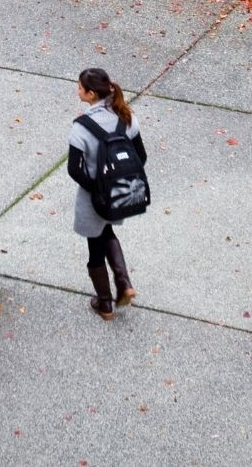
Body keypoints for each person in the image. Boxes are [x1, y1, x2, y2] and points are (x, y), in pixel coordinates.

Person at [68, 67, 145, 321]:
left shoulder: (81, 127)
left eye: (80, 87)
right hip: (121, 195)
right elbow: (141, 157)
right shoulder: (126, 116)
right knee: (107, 232)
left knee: (94, 247)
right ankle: (123, 283)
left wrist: (98, 188)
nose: (77, 90)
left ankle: (105, 304)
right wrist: (117, 183)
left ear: (90, 94)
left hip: (94, 198)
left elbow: (74, 170)